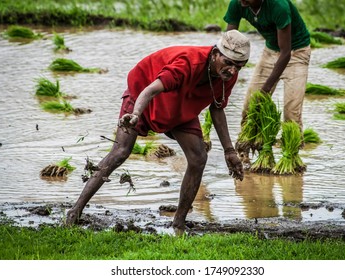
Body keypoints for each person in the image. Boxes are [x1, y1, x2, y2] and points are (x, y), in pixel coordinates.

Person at [66, 30, 250, 230]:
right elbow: (150, 90)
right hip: (142, 98)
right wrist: (136, 114)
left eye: (239, 66)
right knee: (120, 152)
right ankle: (75, 211)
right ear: (215, 53)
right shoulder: (188, 63)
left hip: (180, 103)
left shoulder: (227, 77)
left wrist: (229, 151)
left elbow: (217, 107)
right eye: (228, 62)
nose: (232, 71)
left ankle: (179, 223)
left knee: (198, 158)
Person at [224, 0, 311, 132]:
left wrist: (265, 90)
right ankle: (244, 149)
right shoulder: (238, 2)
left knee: (291, 114)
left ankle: (292, 151)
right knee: (251, 107)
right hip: (270, 52)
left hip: (297, 52)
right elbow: (229, 43)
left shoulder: (278, 5)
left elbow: (286, 53)